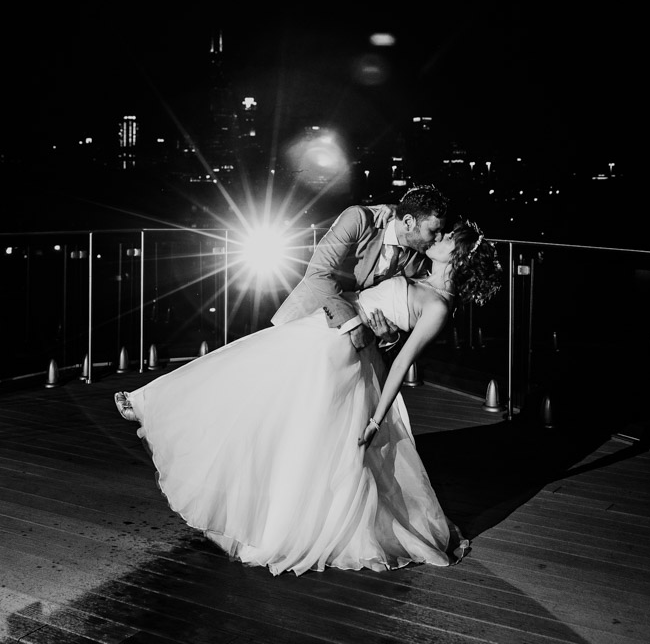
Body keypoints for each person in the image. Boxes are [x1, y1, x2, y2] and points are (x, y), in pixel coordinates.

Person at [114, 214, 502, 577]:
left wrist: (374, 420)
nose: (440, 237)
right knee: (250, 380)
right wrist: (368, 321)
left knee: (296, 426)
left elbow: (401, 365)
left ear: (461, 255)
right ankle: (154, 404)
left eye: (448, 238)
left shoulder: (437, 305)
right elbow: (345, 285)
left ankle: (278, 523)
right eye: (440, 231)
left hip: (340, 354)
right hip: (326, 329)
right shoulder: (415, 267)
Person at [271, 184, 450, 353]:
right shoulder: (359, 219)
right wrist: (352, 324)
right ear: (408, 223)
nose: (439, 237)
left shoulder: (418, 261)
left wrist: (390, 337)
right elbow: (318, 273)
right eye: (434, 231)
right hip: (307, 319)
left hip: (354, 348)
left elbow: (407, 317)